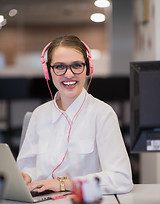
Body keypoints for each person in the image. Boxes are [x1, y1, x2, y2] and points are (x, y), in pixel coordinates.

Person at [17, 35, 133, 194]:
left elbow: (122, 179)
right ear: (48, 71)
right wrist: (26, 177)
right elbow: (27, 167)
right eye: (59, 67)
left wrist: (64, 184)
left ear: (88, 68)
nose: (69, 74)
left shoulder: (102, 114)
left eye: (77, 65)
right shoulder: (39, 115)